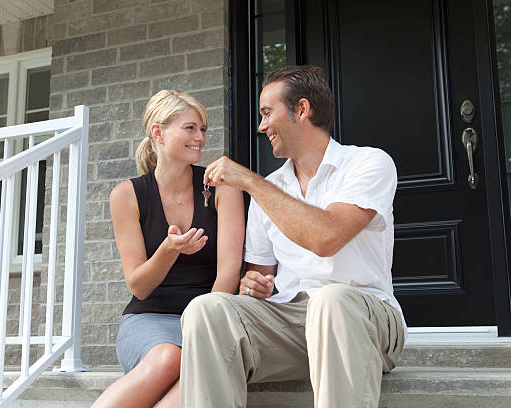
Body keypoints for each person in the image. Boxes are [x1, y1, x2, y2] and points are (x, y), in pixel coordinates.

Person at [179, 65, 406, 408]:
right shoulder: (270, 190)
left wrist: (251, 181)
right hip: (291, 324)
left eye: (268, 113)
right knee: (206, 310)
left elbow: (326, 237)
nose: (261, 126)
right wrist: (254, 286)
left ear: (301, 110)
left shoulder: (368, 164)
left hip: (365, 319)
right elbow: (259, 278)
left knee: (332, 301)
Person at [91, 90, 245, 408]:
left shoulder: (222, 189)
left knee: (195, 365)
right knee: (168, 358)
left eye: (203, 129)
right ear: (158, 132)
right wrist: (168, 250)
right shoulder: (126, 195)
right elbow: (140, 286)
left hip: (208, 318)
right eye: (190, 128)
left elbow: (229, 272)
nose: (200, 137)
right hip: (149, 320)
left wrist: (204, 324)